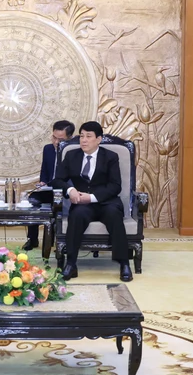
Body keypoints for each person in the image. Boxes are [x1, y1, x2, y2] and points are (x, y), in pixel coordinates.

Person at [51, 121, 132, 282]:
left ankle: (124, 263)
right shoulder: (72, 155)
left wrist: (92, 197)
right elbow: (57, 180)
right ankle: (71, 264)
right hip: (83, 204)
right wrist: (70, 190)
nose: (84, 140)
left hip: (106, 202)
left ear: (98, 139)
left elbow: (115, 186)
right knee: (77, 215)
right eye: (81, 136)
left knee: (114, 214)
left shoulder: (110, 156)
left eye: (88, 136)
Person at [22, 120, 76, 252]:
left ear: (70, 138)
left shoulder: (74, 151)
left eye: (61, 139)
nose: (56, 142)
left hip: (67, 190)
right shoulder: (48, 149)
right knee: (33, 200)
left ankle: (60, 240)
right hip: (49, 189)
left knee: (60, 206)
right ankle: (32, 239)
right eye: (54, 137)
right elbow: (45, 171)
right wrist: (42, 182)